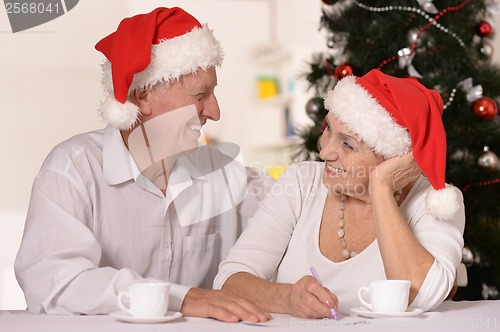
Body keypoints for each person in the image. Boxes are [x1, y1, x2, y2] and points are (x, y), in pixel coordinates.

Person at [14, 7, 272, 323]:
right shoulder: (73, 170)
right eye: (201, 94)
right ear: (144, 95)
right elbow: (53, 281)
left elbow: (296, 216)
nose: (215, 112)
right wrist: (182, 298)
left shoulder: (226, 174)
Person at [214, 69, 465, 319]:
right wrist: (287, 298)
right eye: (328, 130)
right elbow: (229, 279)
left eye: (347, 144)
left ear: (395, 157)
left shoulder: (435, 202)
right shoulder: (301, 182)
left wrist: (381, 188)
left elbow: (424, 295)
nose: (325, 153)